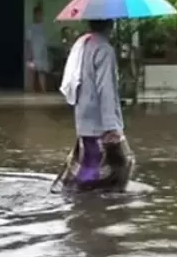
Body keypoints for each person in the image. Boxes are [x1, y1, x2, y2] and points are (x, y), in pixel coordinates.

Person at [55, 19, 134, 192]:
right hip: (98, 116)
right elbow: (106, 89)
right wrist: (111, 126)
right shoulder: (104, 49)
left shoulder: (83, 44)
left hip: (83, 111)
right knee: (104, 161)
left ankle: (80, 194)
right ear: (110, 26)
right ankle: (83, 195)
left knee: (90, 158)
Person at [26, 4, 50, 93]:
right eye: (38, 14)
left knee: (42, 72)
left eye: (41, 15)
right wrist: (29, 54)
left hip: (42, 52)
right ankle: (30, 90)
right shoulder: (31, 27)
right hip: (33, 52)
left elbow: (44, 41)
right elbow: (28, 41)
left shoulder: (43, 27)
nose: (40, 16)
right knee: (32, 72)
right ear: (35, 15)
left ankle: (43, 90)